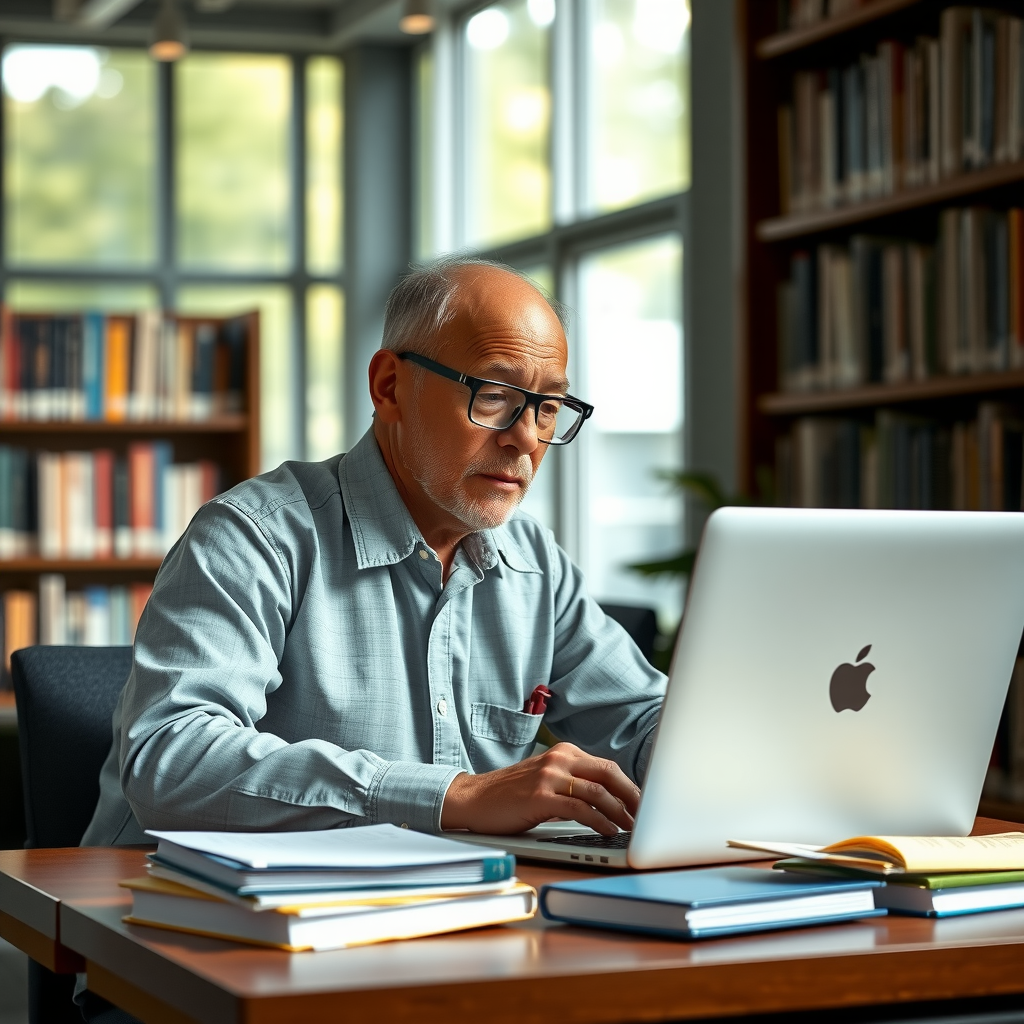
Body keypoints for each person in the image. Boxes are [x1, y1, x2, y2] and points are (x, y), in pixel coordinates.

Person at [82, 256, 667, 847]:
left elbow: (643, 721)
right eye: (494, 396)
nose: (525, 438)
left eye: (547, 408)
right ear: (390, 387)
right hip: (176, 910)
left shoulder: (536, 566)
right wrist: (456, 797)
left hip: (433, 903)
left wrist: (717, 752)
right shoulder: (254, 536)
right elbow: (171, 760)